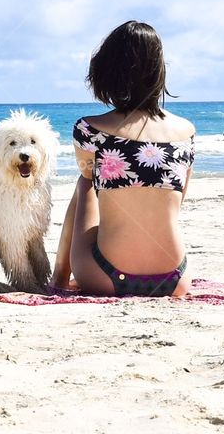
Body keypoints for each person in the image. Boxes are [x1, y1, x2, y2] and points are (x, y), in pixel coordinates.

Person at [50, 20, 196, 297]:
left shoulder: (89, 129)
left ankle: (58, 277)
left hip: (105, 276)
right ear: (158, 72)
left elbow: (90, 187)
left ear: (106, 71)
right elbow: (175, 205)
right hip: (175, 278)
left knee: (85, 183)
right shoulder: (185, 132)